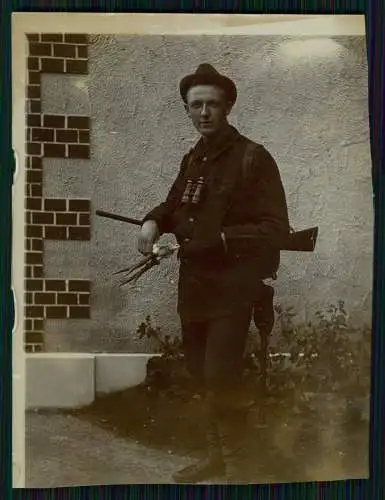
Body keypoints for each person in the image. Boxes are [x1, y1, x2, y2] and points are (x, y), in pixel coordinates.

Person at [137, 63, 290, 483]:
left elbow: (276, 229)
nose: (204, 112)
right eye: (196, 105)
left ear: (228, 108)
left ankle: (240, 468)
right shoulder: (194, 158)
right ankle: (216, 457)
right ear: (187, 111)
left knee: (223, 375)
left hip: (234, 287)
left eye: (213, 105)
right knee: (203, 373)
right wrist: (153, 221)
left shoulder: (253, 158)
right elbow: (173, 206)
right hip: (196, 288)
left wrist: (221, 240)